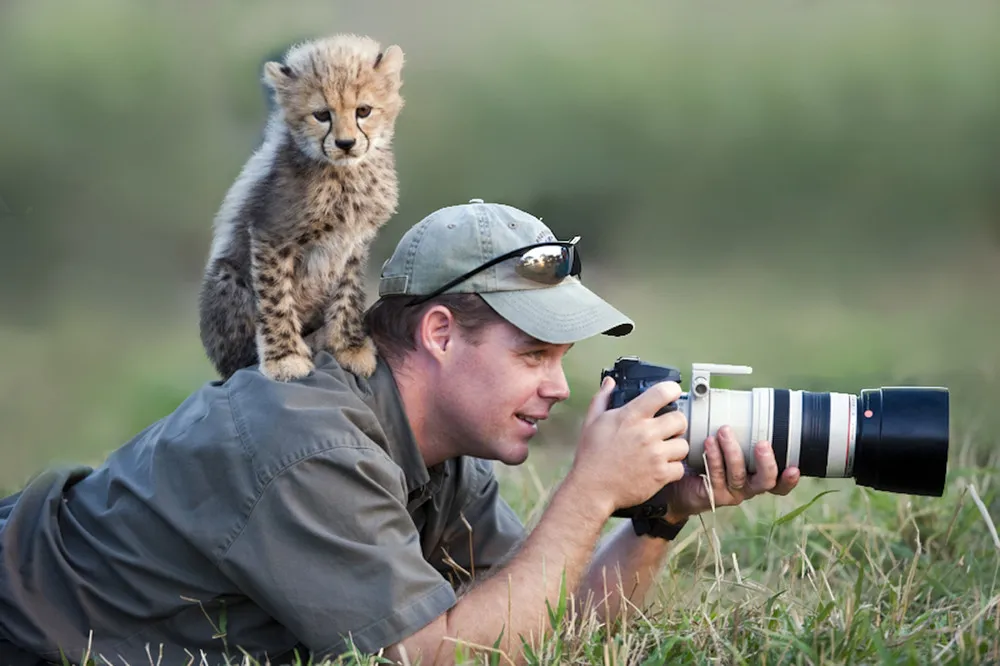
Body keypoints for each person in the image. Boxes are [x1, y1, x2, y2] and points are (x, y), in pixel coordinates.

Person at [0, 200, 800, 666]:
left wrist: (656, 515)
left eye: (562, 359)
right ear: (440, 334)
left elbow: (539, 627)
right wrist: (587, 494)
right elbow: (437, 657)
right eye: (533, 355)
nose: (559, 387)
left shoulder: (440, 452)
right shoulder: (311, 440)